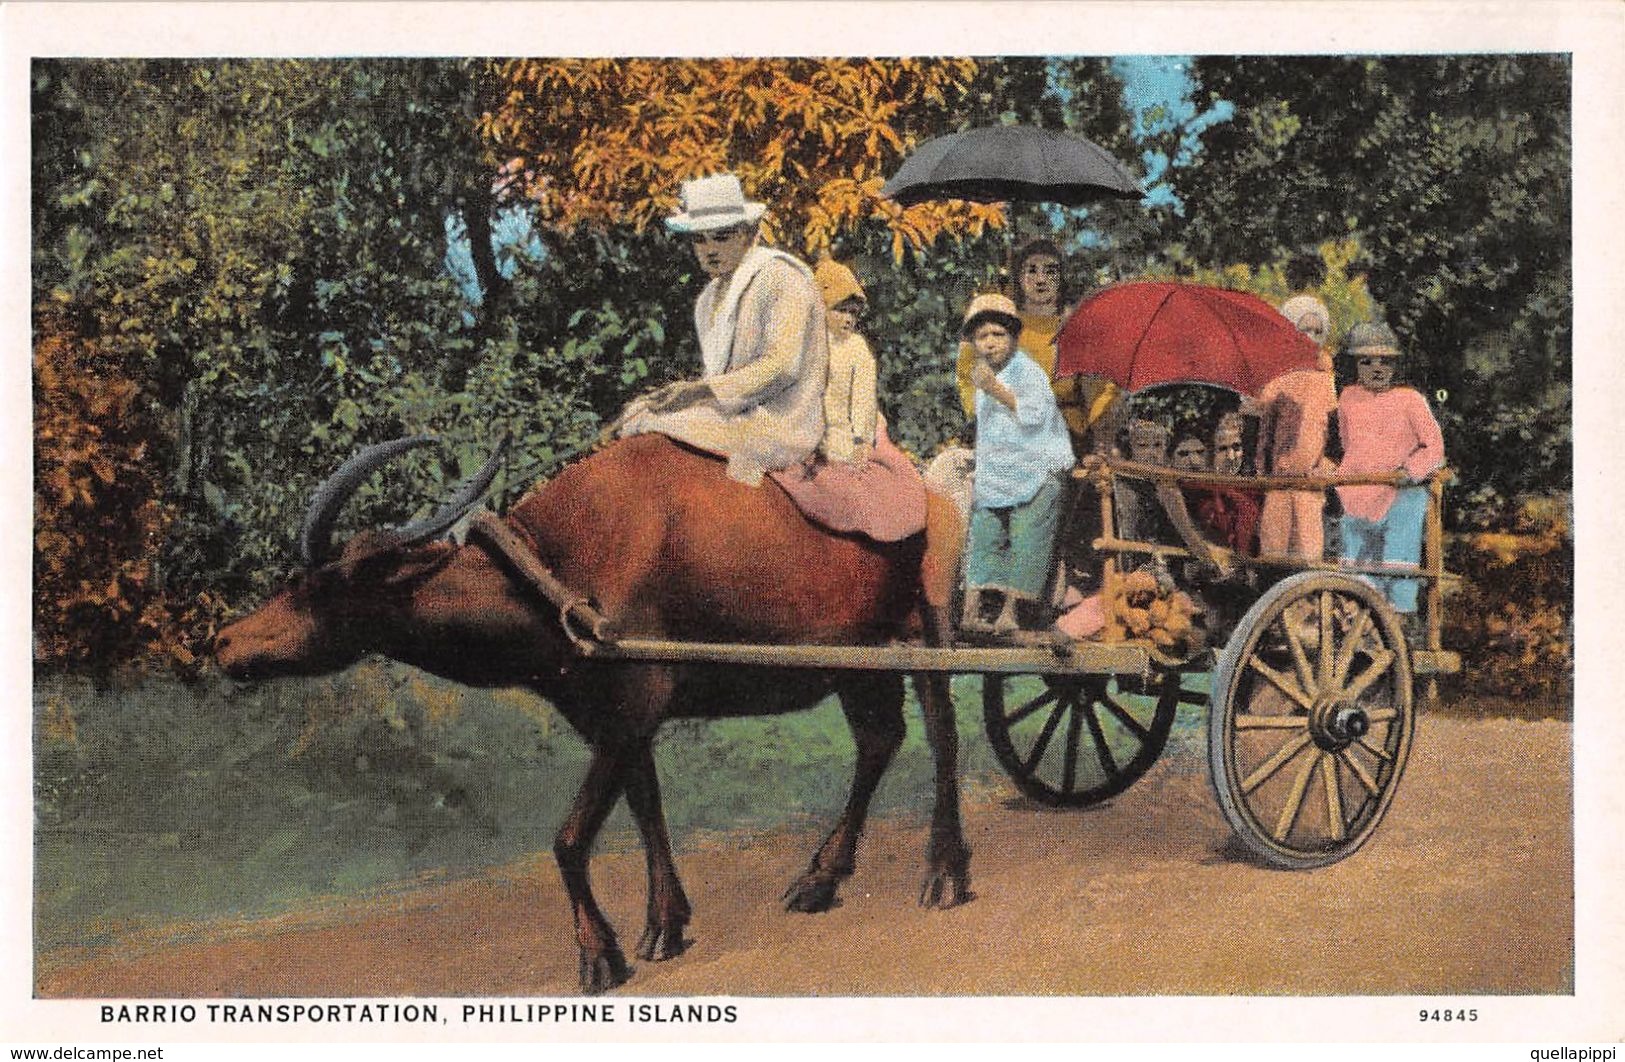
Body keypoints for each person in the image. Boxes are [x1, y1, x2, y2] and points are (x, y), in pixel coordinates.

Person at [618, 173, 828, 487]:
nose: (709, 249)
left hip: (783, 420)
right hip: (735, 413)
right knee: (637, 413)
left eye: (722, 236)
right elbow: (721, 375)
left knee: (654, 423)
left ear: (749, 234)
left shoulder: (781, 277)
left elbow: (783, 367)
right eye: (699, 239)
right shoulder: (707, 299)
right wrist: (688, 395)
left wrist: (701, 391)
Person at [959, 293, 1075, 638]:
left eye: (998, 335)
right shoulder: (982, 378)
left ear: (1013, 337)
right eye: (983, 337)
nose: (990, 344)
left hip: (1036, 466)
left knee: (1027, 534)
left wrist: (995, 388)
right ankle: (970, 612)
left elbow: (1034, 415)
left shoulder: (1028, 372)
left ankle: (1010, 613)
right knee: (984, 533)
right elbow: (988, 431)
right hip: (1000, 469)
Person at [954, 238, 1121, 451]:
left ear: (1061, 278)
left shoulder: (1077, 328)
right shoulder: (1003, 320)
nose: (1041, 279)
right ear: (1020, 277)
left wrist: (1100, 429)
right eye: (1031, 271)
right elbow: (968, 371)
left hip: (1066, 433)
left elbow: (1102, 390)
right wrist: (978, 412)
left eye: (1050, 271)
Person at [1334, 321, 1446, 616]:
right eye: (1367, 361)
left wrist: (1409, 470)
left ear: (1395, 365)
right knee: (1357, 562)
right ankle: (1357, 617)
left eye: (1385, 361)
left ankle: (1398, 617)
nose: (1377, 368)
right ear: (1355, 365)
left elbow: (1434, 446)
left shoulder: (1410, 399)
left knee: (1397, 558)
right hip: (1360, 489)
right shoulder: (1348, 398)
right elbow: (1348, 442)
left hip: (1399, 493)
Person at [1256, 294, 1340, 560]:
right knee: (1275, 545)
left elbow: (1336, 432)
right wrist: (1263, 467)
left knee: (1307, 547)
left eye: (1318, 332)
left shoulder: (1326, 378)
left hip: (1310, 481)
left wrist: (1326, 465)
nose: (1311, 337)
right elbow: (1265, 431)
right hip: (1279, 478)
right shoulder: (1276, 376)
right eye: (1304, 330)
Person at [813, 258, 878, 465]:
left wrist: (861, 440)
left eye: (853, 313)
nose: (848, 319)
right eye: (841, 310)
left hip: (839, 440)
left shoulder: (855, 347)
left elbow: (863, 397)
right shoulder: (804, 343)